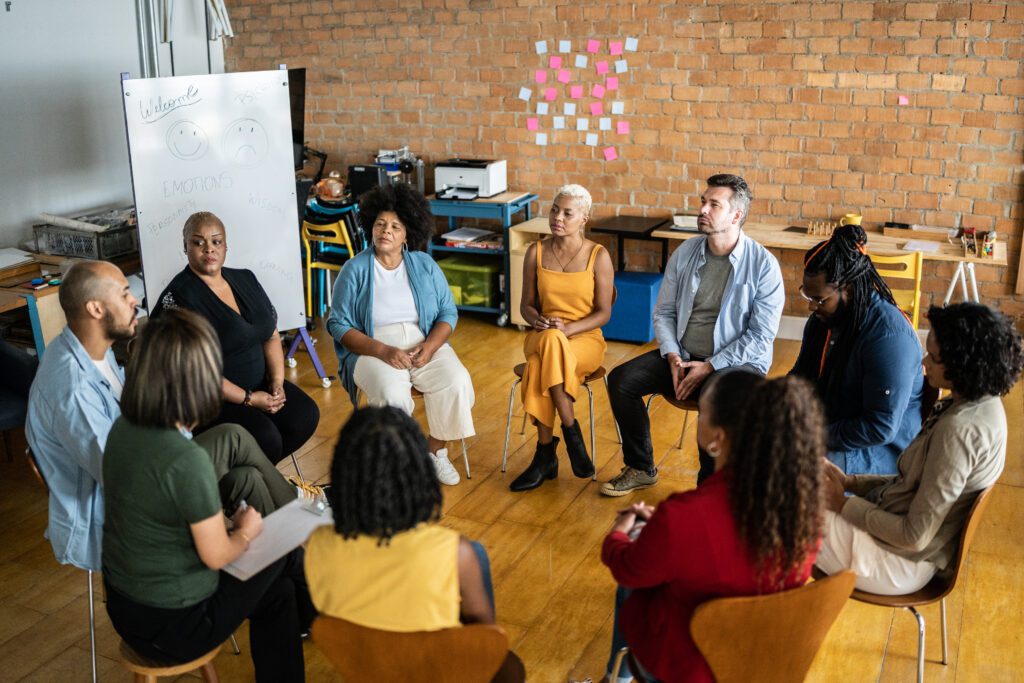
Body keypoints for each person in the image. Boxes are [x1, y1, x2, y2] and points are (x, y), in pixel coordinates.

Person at [26, 260, 297, 574]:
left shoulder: (96, 353)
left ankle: (292, 565)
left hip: (145, 471)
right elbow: (120, 479)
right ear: (96, 309)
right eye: (125, 294)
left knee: (245, 479)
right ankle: (306, 527)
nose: (135, 302)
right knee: (232, 438)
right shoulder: (72, 389)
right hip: (123, 509)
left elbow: (134, 421)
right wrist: (179, 430)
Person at [102, 308, 315, 683]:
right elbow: (217, 554)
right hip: (177, 624)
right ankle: (334, 610)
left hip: (125, 608)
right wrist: (245, 530)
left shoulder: (123, 429)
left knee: (279, 587)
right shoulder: (185, 459)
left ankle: (324, 609)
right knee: (278, 555)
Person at [596, 373, 825, 683]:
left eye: (702, 412)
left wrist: (619, 535)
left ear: (717, 437)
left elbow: (627, 568)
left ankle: (615, 678)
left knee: (633, 579)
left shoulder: (682, 517)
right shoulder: (802, 509)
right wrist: (662, 532)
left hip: (690, 666)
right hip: (762, 658)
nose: (698, 419)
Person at [816, 303, 1023, 595]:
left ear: (962, 365)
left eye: (934, 357)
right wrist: (851, 483)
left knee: (777, 513)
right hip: (898, 544)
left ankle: (783, 622)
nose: (924, 361)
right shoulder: (980, 403)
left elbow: (914, 536)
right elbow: (913, 483)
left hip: (898, 563)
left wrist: (843, 504)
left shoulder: (959, 431)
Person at [602, 174, 784, 496]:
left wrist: (711, 366)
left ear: (736, 215)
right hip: (684, 354)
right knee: (620, 380)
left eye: (714, 204)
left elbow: (760, 336)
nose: (702, 209)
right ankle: (641, 467)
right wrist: (672, 355)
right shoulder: (686, 252)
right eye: (703, 201)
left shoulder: (763, 266)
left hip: (737, 363)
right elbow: (664, 312)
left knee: (714, 402)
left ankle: (708, 493)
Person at [326, 184, 475, 486]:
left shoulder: (424, 264)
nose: (386, 231)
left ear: (408, 233)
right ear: (370, 226)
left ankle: (435, 453)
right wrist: (382, 351)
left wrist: (431, 347)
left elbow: (448, 312)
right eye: (380, 224)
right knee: (392, 394)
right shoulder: (354, 270)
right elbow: (338, 325)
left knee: (456, 382)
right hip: (372, 347)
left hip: (424, 342)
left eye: (395, 226)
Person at [152, 211, 321, 467]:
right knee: (265, 438)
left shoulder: (245, 278)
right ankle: (251, 487)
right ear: (185, 248)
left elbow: (271, 335)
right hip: (211, 400)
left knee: (304, 416)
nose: (208, 248)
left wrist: (276, 384)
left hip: (260, 384)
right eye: (198, 242)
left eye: (216, 241)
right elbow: (194, 372)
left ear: (226, 245)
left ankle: (258, 479)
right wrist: (249, 399)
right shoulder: (178, 298)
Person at [305, 406, 494, 629]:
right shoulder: (454, 552)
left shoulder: (317, 545)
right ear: (421, 474)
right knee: (477, 553)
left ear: (342, 474)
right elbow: (485, 636)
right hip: (438, 660)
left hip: (360, 660)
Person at [789, 224, 923, 475]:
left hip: (882, 452)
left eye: (819, 300)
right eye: (808, 297)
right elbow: (802, 376)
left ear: (847, 289)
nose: (811, 308)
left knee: (789, 470)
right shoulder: (823, 320)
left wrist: (811, 436)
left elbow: (879, 427)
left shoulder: (889, 337)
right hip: (837, 426)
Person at [510, 184, 614, 492]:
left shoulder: (599, 255)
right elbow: (525, 306)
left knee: (538, 367)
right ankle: (572, 432)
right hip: (542, 335)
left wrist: (567, 329)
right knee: (551, 342)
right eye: (555, 209)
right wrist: (538, 320)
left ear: (584, 218)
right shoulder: (536, 251)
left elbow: (604, 313)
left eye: (568, 212)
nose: (558, 217)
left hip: (585, 339)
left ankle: (545, 455)